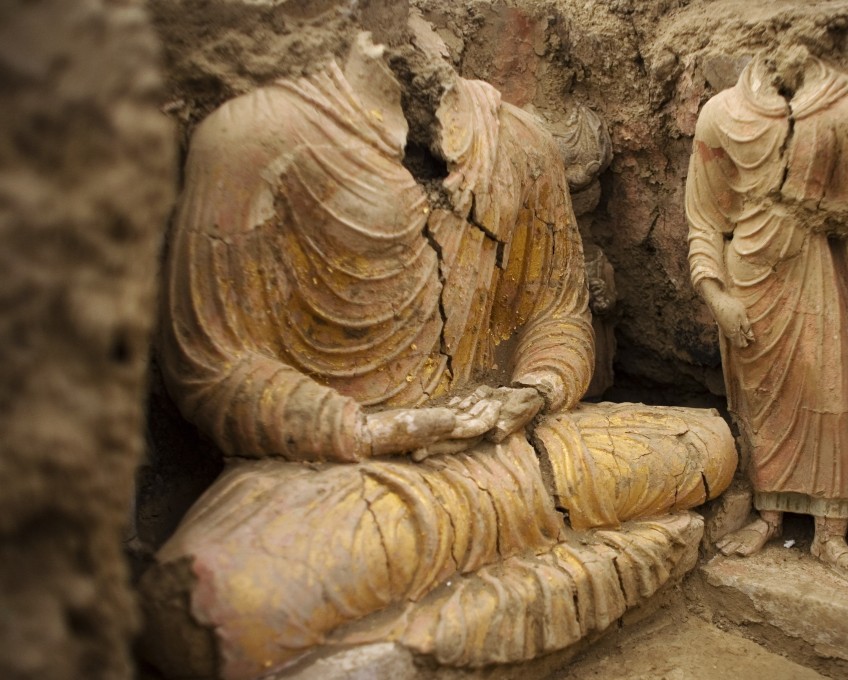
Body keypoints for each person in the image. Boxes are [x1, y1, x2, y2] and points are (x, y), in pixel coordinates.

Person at [140, 31, 736, 680]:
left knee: (705, 444)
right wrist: (368, 430)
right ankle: (524, 601)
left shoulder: (518, 138)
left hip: (511, 451)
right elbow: (213, 365)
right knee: (214, 603)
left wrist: (531, 392)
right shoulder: (253, 136)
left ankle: (392, 653)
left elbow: (556, 313)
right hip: (350, 480)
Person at [686, 47, 848, 589]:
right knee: (760, 404)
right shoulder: (721, 114)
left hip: (817, 267)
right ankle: (769, 516)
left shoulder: (844, 110)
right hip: (748, 278)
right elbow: (704, 216)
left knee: (831, 394)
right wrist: (715, 294)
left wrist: (819, 203)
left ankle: (831, 537)